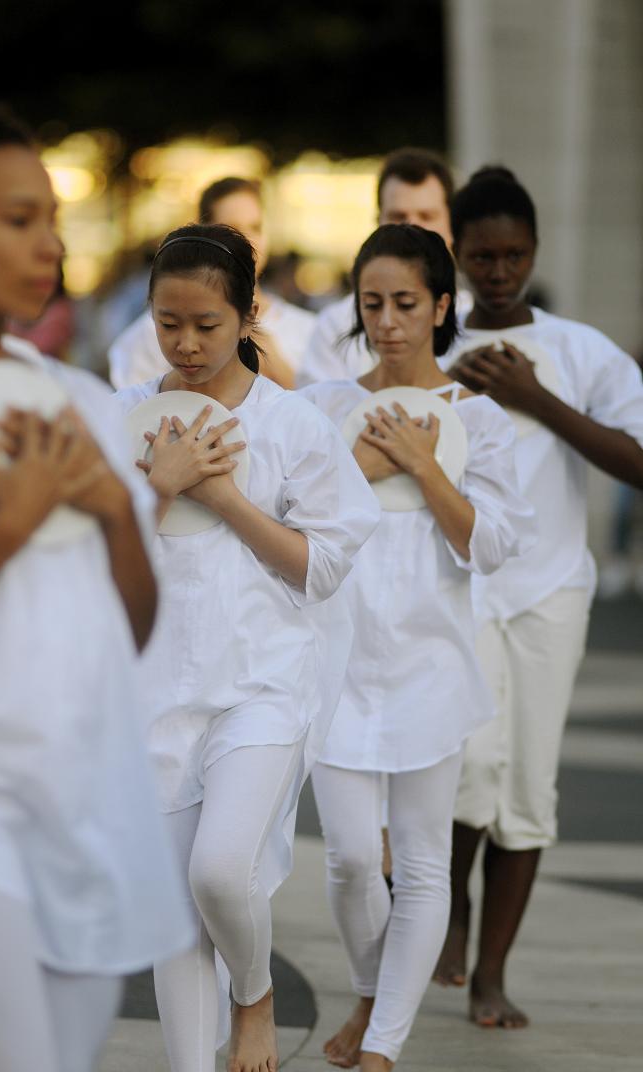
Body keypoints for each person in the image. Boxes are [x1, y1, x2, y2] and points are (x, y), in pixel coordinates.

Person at [0, 103, 187, 1072]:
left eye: (52, 218)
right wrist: (9, 525)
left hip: (87, 798)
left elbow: (134, 622)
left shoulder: (77, 400)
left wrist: (116, 513)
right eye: (16, 217)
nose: (49, 244)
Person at [113, 222, 379, 1072]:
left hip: (263, 686)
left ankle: (254, 996)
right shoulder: (122, 422)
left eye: (207, 325)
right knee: (175, 918)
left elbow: (326, 562)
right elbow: (91, 567)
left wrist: (219, 494)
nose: (186, 344)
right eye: (167, 323)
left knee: (220, 873)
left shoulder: (293, 424)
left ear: (249, 314)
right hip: (156, 693)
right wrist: (159, 489)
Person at [300, 223, 534, 1072]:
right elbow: (297, 525)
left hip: (432, 665)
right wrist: (366, 466)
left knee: (425, 862)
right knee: (355, 860)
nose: (389, 321)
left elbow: (497, 544)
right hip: (337, 666)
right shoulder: (321, 409)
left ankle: (384, 1047)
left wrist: (426, 467)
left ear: (442, 306)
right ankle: (372, 992)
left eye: (406, 303)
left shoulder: (480, 420)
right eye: (372, 304)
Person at [433, 166, 643, 1028]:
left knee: (528, 786)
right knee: (469, 768)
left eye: (514, 255)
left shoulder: (582, 350)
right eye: (482, 256)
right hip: (462, 590)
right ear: (457, 255)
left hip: (553, 592)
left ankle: (492, 974)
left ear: (535, 253)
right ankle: (450, 917)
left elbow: (635, 461)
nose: (498, 272)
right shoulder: (433, 350)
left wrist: (534, 398)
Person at [108, 177, 315, 389]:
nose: (248, 241)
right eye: (231, 229)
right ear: (204, 232)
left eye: (255, 227)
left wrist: (275, 366)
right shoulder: (149, 334)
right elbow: (134, 412)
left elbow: (324, 412)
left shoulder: (308, 329)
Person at [299, 147, 458, 386]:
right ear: (378, 221)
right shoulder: (335, 326)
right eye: (398, 216)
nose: (413, 228)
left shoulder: (473, 320)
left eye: (426, 216)